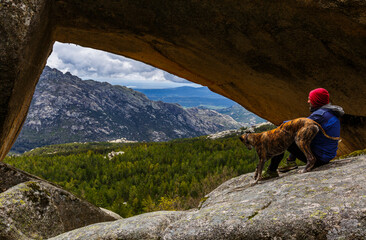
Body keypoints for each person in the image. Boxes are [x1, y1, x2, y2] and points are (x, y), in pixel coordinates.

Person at [262, 88, 344, 179]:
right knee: (298, 135)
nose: (308, 101)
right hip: (326, 155)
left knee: (281, 136)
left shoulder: (320, 115)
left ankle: (271, 171)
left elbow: (298, 125)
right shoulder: (328, 112)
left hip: (319, 158)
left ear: (317, 101)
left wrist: (284, 123)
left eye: (310, 99)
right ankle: (290, 161)